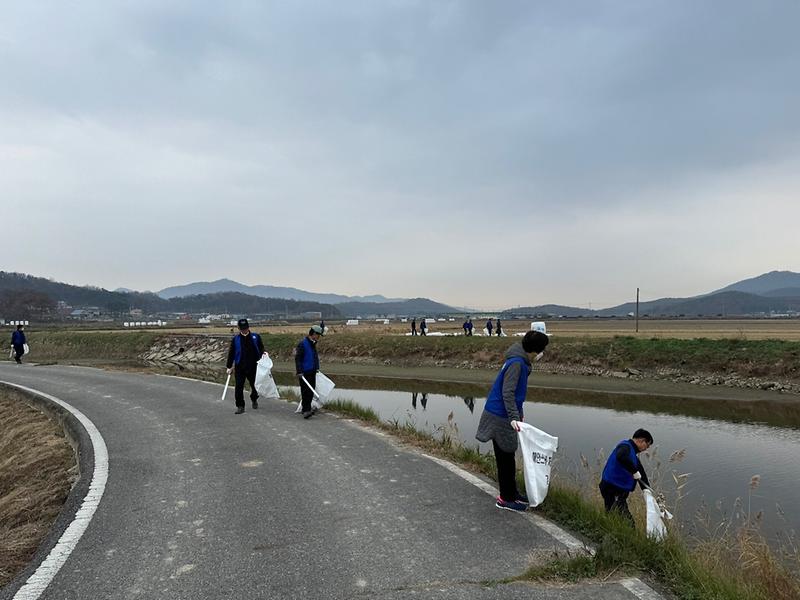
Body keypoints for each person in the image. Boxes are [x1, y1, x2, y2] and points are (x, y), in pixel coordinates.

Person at [476, 330, 549, 512]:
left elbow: (515, 395)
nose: (542, 354)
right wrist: (514, 418)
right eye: (541, 351)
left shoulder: (518, 360)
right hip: (500, 417)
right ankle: (505, 499)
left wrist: (519, 415)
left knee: (508, 456)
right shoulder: (517, 363)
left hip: (503, 415)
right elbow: (507, 393)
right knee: (505, 459)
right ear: (534, 350)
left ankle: (512, 492)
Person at [599, 429, 653, 527]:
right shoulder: (625, 446)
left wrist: (646, 489)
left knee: (612, 514)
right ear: (641, 440)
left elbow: (641, 472)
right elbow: (621, 456)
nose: (646, 448)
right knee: (628, 522)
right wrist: (634, 471)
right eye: (647, 445)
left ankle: (607, 531)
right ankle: (615, 536)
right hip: (612, 488)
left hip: (615, 489)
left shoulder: (632, 454)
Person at [225, 319, 266, 414]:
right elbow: (231, 353)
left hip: (254, 366)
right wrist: (229, 366)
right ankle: (240, 406)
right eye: (242, 329)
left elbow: (261, 349)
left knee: (255, 386)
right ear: (239, 328)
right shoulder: (236, 339)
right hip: (240, 367)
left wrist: (264, 357)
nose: (244, 330)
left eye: (246, 328)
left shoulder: (256, 337)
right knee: (239, 387)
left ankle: (254, 398)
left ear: (248, 327)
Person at [296, 325, 324, 419]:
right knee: (305, 392)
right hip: (304, 372)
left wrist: (317, 367)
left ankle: (307, 408)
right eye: (318, 335)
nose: (318, 337)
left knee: (311, 391)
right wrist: (299, 371)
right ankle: (306, 410)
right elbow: (298, 359)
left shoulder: (313, 343)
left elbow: (314, 357)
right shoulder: (303, 344)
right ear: (314, 334)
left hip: (312, 371)